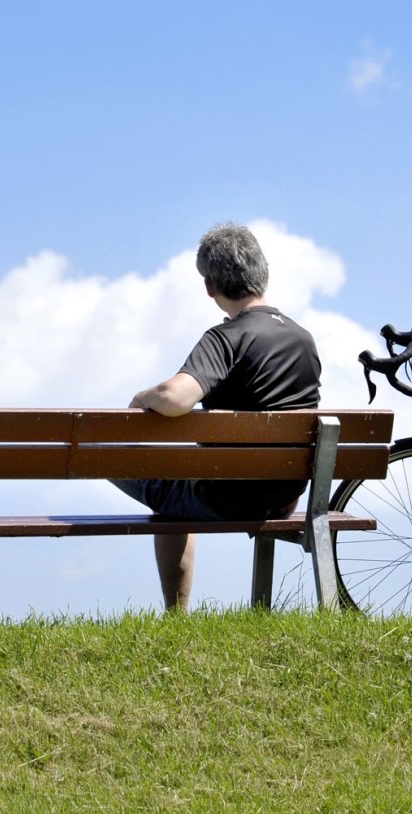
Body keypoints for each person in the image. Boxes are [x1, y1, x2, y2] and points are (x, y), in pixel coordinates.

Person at [118, 223, 322, 612]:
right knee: (177, 480)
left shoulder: (226, 338)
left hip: (227, 498)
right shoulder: (302, 338)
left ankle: (176, 615)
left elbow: (176, 397)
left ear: (210, 288)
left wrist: (141, 397)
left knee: (108, 455)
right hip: (283, 498)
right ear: (264, 274)